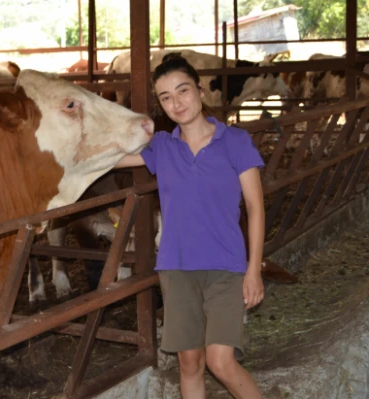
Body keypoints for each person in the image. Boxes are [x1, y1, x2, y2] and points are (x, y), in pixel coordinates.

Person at [116, 56, 265, 399]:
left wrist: (253, 269)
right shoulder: (162, 147)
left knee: (221, 361)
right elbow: (109, 158)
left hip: (226, 268)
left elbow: (256, 208)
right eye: (165, 97)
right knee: (189, 363)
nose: (176, 103)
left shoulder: (235, 141)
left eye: (182, 90)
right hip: (177, 268)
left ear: (199, 89)